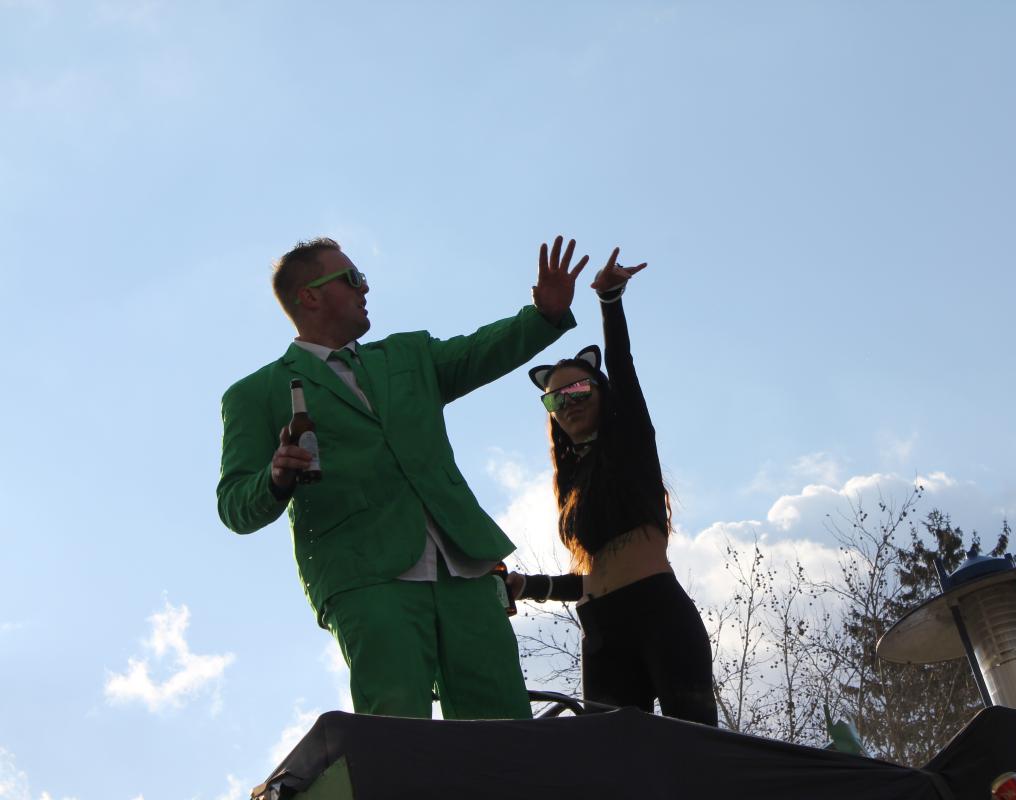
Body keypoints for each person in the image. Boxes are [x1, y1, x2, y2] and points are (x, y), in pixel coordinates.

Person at [217, 235, 586, 720]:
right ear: (309, 296)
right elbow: (235, 505)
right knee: (396, 726)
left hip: (465, 564)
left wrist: (542, 316)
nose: (365, 288)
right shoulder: (255, 393)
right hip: (365, 576)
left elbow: (480, 351)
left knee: (504, 723)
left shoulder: (409, 355)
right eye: (352, 278)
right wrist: (275, 476)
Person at [508, 248, 718, 726]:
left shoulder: (631, 441)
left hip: (658, 615)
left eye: (579, 390)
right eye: (556, 399)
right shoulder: (572, 485)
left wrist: (609, 301)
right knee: (613, 760)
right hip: (600, 634)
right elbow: (590, 581)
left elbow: (622, 365)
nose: (569, 403)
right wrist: (527, 586)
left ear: (602, 392)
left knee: (696, 749)